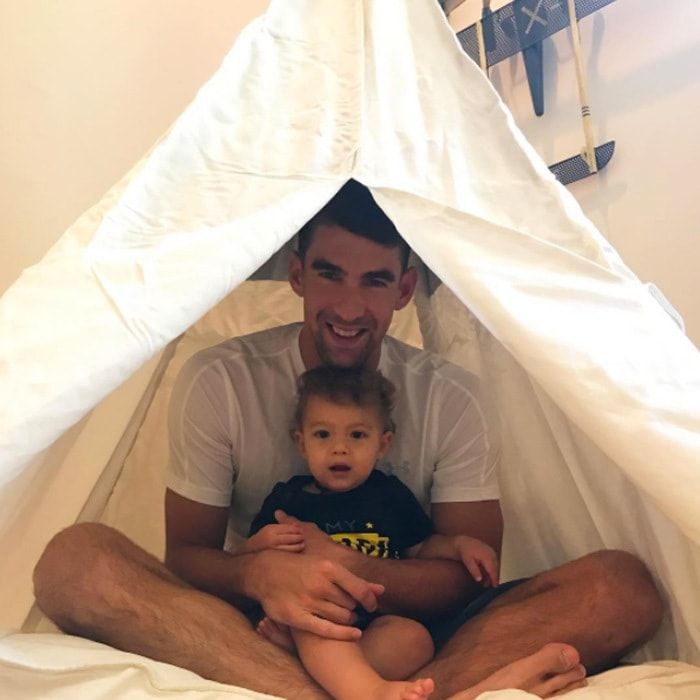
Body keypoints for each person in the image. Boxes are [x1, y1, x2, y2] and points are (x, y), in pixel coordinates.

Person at [33, 181, 663, 700]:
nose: (349, 306)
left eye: (375, 282)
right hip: (270, 629)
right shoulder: (222, 381)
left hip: (408, 632)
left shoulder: (450, 395)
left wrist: (349, 566)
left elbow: (469, 579)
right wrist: (262, 577)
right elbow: (189, 558)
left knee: (622, 587)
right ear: (297, 274)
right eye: (331, 275)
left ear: (405, 290)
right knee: (75, 561)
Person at [240, 365, 500, 700]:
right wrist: (261, 545)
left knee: (415, 638)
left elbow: (420, 547)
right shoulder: (289, 501)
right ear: (300, 443)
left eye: (357, 435)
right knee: (319, 630)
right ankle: (371, 692)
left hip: (372, 629)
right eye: (323, 435)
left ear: (383, 443)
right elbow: (250, 563)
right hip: (317, 620)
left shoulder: (390, 496)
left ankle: (326, 678)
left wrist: (459, 545)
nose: (340, 448)